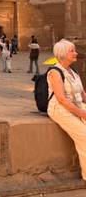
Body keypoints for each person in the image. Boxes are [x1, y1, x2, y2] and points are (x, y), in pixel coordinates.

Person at [47, 39, 86, 181]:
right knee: (84, 135)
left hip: (77, 105)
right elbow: (62, 99)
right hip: (60, 109)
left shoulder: (73, 71)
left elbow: (82, 94)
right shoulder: (55, 72)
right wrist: (82, 114)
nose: (76, 53)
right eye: (72, 51)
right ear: (63, 54)